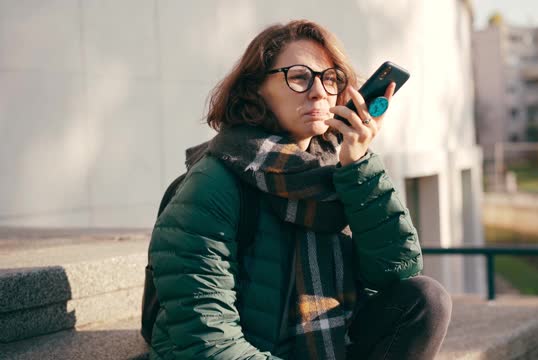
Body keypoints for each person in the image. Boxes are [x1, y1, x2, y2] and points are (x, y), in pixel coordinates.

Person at [147, 19, 452, 360]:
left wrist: (359, 165)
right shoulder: (214, 183)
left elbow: (396, 270)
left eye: (330, 78)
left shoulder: (334, 173)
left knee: (425, 299)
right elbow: (207, 340)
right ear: (255, 89)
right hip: (243, 353)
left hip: (324, 346)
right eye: (299, 77)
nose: (319, 91)